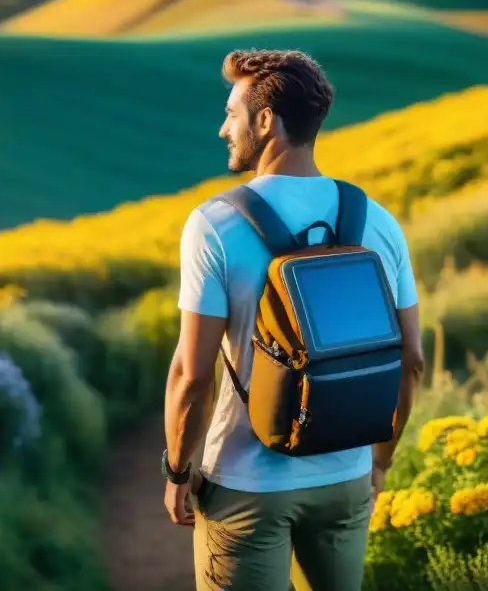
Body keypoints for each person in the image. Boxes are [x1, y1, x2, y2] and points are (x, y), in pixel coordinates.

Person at [161, 48, 425, 590]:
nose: (222, 129)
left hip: (245, 482)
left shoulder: (214, 225)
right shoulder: (378, 221)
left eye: (232, 114)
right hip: (346, 479)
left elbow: (192, 374)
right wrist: (379, 463)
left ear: (265, 121)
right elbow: (412, 360)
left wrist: (178, 470)